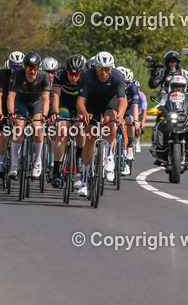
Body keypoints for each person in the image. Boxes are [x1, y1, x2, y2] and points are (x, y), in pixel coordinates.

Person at [76, 51, 126, 197]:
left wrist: (120, 116)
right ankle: (84, 182)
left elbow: (122, 101)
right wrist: (84, 113)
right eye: (100, 69)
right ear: (95, 67)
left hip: (109, 103)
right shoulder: (87, 75)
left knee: (112, 123)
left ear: (111, 68)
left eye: (106, 69)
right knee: (91, 137)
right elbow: (80, 101)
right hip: (91, 103)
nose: (103, 73)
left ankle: (110, 156)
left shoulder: (117, 76)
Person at [6, 52, 52, 180]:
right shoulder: (17, 74)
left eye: (35, 68)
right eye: (29, 68)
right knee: (19, 126)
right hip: (21, 102)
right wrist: (11, 113)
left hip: (37, 102)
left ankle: (37, 161)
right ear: (24, 67)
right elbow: (11, 96)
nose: (32, 72)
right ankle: (14, 165)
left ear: (39, 67)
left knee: (37, 128)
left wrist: (44, 114)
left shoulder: (44, 76)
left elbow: (45, 99)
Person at [50, 54, 86, 188]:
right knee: (62, 132)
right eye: (71, 73)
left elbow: (86, 99)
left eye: (77, 74)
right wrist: (55, 112)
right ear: (66, 71)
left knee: (80, 128)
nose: (74, 77)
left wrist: (83, 115)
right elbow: (56, 95)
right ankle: (56, 172)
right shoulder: (60, 75)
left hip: (79, 104)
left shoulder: (85, 77)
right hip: (64, 104)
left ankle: (79, 158)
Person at [152, 74, 188, 168]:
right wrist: (155, 109)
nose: (177, 88)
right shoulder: (166, 96)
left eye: (180, 86)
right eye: (175, 86)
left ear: (184, 87)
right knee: (159, 126)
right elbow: (161, 104)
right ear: (172, 86)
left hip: (184, 118)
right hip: (170, 118)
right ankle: (159, 149)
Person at [0, 51, 25, 185]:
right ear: (9, 65)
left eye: (19, 67)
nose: (16, 69)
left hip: (20, 104)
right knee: (4, 135)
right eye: (14, 67)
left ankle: (16, 164)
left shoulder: (25, 75)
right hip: (5, 105)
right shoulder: (2, 74)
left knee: (19, 131)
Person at [117, 66, 140, 176]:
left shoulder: (132, 88)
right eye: (123, 82)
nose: (125, 84)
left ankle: (130, 145)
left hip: (129, 109)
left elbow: (135, 106)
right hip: (116, 108)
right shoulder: (114, 85)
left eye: (127, 82)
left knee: (130, 122)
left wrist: (136, 120)